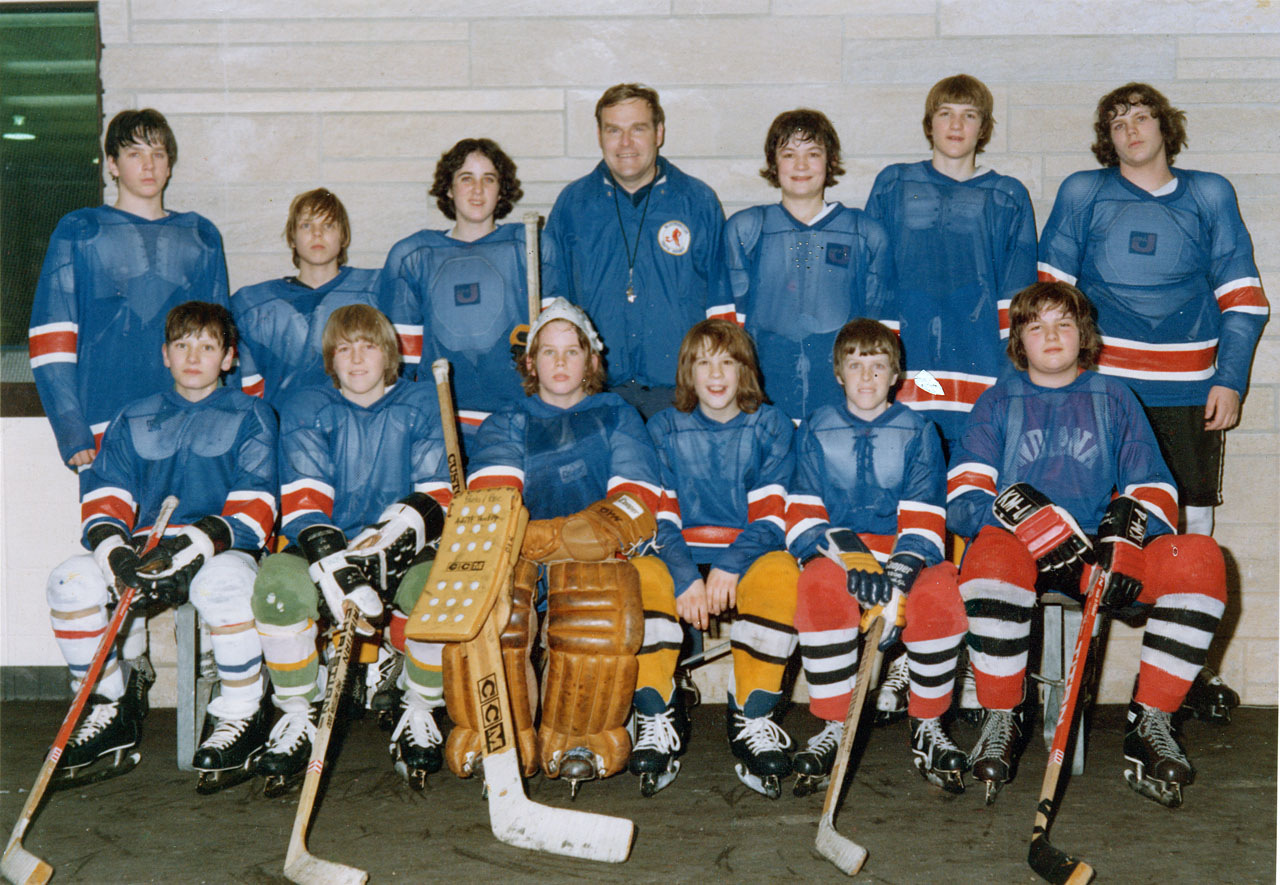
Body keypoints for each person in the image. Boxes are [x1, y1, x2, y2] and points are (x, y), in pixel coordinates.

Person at [934, 281, 1227, 807]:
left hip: (1099, 557)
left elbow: (1156, 488)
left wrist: (1128, 533)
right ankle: (1002, 715)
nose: (1051, 336)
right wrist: (1023, 520)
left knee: (1201, 558)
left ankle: (1150, 723)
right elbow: (963, 499)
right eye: (1036, 326)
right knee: (988, 552)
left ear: (1083, 335)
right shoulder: (997, 401)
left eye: (1063, 324)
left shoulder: (1113, 395)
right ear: (1019, 341)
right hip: (1022, 555)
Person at [1037, 83, 1266, 719]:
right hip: (1102, 389)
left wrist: (1231, 377)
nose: (1131, 129)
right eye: (1116, 123)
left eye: (1141, 117)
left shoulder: (1209, 192)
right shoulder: (1083, 192)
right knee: (1095, 516)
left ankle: (1190, 674)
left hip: (1189, 389)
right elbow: (1050, 298)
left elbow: (1244, 299)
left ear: (1165, 126)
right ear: (1105, 140)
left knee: (1191, 526)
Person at [46, 302, 276, 793]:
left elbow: (255, 505)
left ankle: (242, 716)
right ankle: (112, 706)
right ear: (165, 355)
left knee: (226, 583)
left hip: (220, 550)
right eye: (182, 345)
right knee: (69, 580)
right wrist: (115, 553)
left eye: (208, 346)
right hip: (147, 549)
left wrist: (189, 549)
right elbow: (106, 494)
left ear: (229, 358)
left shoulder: (253, 412)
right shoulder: (135, 415)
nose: (194, 356)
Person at [462, 298, 672, 797]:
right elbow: (496, 501)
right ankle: (501, 736)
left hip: (594, 562)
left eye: (572, 351)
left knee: (592, 603)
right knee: (498, 611)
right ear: (530, 363)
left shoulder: (616, 414)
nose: (560, 362)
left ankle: (579, 736)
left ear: (591, 361)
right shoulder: (508, 419)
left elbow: (636, 500)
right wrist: (555, 541)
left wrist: (578, 539)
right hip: (524, 561)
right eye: (549, 352)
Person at [251, 304, 450, 794]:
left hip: (404, 543)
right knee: (277, 584)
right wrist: (344, 571)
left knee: (438, 589)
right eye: (344, 348)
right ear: (330, 358)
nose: (357, 359)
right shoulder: (305, 405)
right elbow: (304, 505)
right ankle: (297, 715)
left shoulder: (423, 401)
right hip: (327, 544)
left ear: (389, 354)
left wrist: (379, 552)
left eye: (368, 347)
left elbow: (436, 496)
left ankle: (419, 709)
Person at [784, 318, 962, 795]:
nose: (867, 377)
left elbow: (926, 516)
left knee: (942, 596)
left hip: (907, 551)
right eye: (855, 366)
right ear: (838, 373)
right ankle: (832, 724)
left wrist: (902, 570)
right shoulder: (815, 428)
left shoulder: (919, 430)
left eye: (878, 366)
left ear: (896, 374)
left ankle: (927, 723)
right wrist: (851, 559)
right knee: (818, 589)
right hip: (839, 556)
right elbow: (801, 515)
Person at [646, 319, 798, 798]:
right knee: (642, 576)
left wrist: (731, 564)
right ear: (687, 373)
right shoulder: (663, 426)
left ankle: (751, 716)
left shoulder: (770, 424)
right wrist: (685, 574)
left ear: (744, 370)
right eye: (703, 362)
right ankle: (655, 713)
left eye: (727, 362)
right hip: (683, 556)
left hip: (746, 554)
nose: (716, 374)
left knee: (781, 575)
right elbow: (660, 520)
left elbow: (773, 518)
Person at [29, 108, 230, 469]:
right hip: (105, 420)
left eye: (158, 154)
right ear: (113, 164)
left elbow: (222, 342)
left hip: (189, 424)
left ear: (170, 164)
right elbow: (51, 337)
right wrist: (71, 429)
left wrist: (226, 423)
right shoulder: (79, 230)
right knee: (110, 526)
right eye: (135, 154)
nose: (149, 166)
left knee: (191, 527)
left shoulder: (200, 236)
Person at [865, 74, 1036, 451]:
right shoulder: (894, 184)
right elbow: (873, 284)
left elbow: (1018, 294)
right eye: (945, 113)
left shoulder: (1007, 195)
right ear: (930, 124)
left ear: (984, 128)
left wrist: (1012, 374)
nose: (956, 125)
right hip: (910, 364)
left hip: (980, 362)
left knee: (969, 489)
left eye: (969, 115)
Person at [543, 83, 727, 418]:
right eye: (614, 130)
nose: (625, 143)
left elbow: (722, 305)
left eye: (637, 129)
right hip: (595, 394)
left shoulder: (697, 202)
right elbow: (554, 302)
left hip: (680, 393)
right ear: (599, 135)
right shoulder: (573, 205)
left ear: (659, 133)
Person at [719, 108, 895, 422]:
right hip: (764, 398)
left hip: (840, 399)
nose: (801, 165)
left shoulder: (866, 233)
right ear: (773, 163)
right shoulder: (746, 230)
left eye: (813, 153)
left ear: (831, 161)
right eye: (789, 154)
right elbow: (730, 328)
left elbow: (881, 329)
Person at [381, 138, 532, 433]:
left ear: (501, 190)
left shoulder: (528, 246)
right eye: (466, 178)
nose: (478, 190)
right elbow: (398, 362)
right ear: (448, 188)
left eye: (488, 179)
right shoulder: (413, 256)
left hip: (515, 418)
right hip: (438, 422)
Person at [231, 188, 383, 408]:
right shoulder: (253, 305)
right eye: (306, 225)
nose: (317, 234)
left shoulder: (376, 290)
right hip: (285, 433)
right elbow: (245, 389)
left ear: (344, 236)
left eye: (328, 225)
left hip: (358, 429)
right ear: (292, 238)